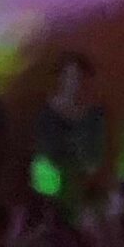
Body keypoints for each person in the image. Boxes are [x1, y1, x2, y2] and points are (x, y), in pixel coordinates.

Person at [30, 52, 110, 214]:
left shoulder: (95, 115)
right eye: (69, 76)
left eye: (80, 77)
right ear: (60, 78)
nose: (75, 82)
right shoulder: (46, 114)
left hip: (84, 184)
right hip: (52, 184)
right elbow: (44, 155)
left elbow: (95, 156)